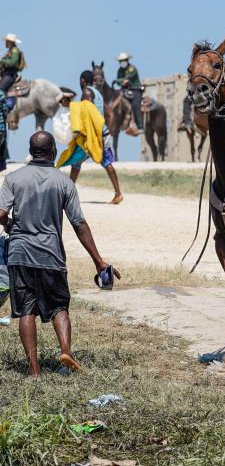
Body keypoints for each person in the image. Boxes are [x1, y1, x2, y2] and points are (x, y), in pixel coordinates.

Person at [0, 131, 121, 378]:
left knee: (26, 311)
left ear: (31, 151)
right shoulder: (64, 182)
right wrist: (99, 262)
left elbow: (0, 214)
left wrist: (11, 225)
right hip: (51, 255)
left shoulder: (14, 178)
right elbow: (79, 224)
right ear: (53, 150)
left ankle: (34, 371)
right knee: (59, 307)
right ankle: (66, 351)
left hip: (20, 253)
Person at [70, 70, 123, 205]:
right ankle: (118, 194)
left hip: (91, 135)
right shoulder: (97, 93)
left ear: (82, 80)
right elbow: (110, 113)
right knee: (103, 161)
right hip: (101, 132)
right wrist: (107, 130)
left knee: (76, 161)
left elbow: (88, 112)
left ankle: (67, 194)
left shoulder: (86, 92)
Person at [114, 52, 144, 134]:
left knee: (135, 105)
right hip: (123, 90)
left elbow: (128, 78)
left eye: (124, 60)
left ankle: (140, 126)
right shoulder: (120, 70)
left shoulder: (132, 69)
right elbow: (119, 81)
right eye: (121, 61)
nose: (122, 62)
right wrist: (120, 82)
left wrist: (122, 81)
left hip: (135, 89)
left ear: (127, 60)